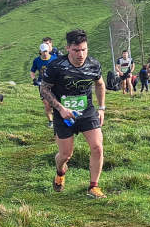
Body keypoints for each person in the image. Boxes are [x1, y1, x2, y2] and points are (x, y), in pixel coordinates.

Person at [39, 29, 108, 199]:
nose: (81, 54)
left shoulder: (93, 64)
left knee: (97, 147)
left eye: (84, 49)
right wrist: (61, 109)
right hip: (63, 114)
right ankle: (60, 172)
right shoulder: (56, 66)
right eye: (76, 50)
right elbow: (44, 89)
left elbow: (100, 84)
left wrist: (101, 108)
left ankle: (93, 187)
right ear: (68, 48)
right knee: (65, 155)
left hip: (87, 111)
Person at [30, 43, 56, 126]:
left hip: (54, 84)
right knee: (47, 104)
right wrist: (34, 79)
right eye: (43, 51)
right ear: (40, 52)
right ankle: (51, 121)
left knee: (55, 103)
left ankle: (57, 119)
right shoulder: (37, 60)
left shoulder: (54, 59)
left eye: (46, 51)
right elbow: (32, 71)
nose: (45, 53)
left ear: (49, 51)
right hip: (42, 84)